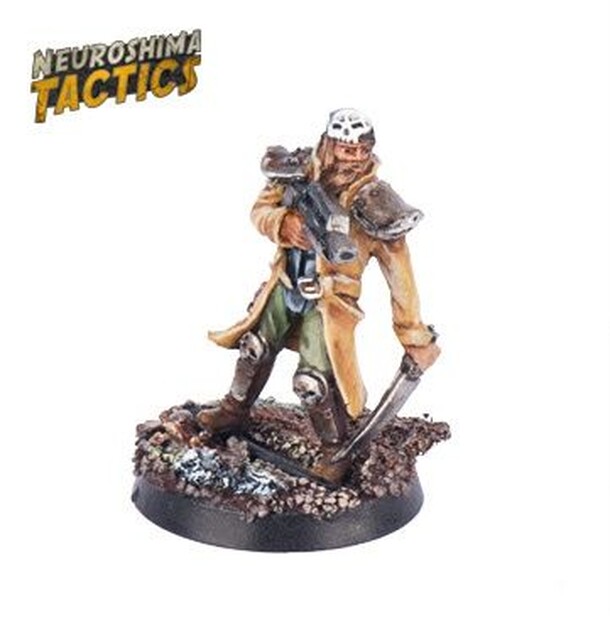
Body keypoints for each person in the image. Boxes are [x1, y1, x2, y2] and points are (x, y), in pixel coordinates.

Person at [198, 108, 440, 482]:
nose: (353, 158)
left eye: (361, 150)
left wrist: (414, 336)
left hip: (328, 305)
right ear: (329, 144)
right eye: (346, 149)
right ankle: (234, 410)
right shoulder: (300, 172)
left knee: (312, 382)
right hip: (285, 284)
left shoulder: (376, 202)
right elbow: (261, 209)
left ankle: (333, 450)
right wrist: (283, 223)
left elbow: (400, 275)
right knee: (253, 348)